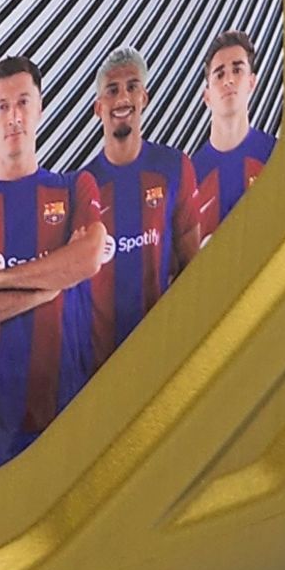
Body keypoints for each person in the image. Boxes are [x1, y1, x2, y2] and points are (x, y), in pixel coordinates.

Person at [0, 56, 110, 465]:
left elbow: (87, 258)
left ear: (40, 109)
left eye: (24, 102)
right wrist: (50, 283)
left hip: (67, 417)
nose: (14, 117)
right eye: (2, 106)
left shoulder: (74, 187)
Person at [77, 48, 200, 365]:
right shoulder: (80, 187)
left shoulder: (175, 167)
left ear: (144, 98)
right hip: (99, 367)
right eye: (112, 90)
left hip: (162, 356)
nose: (122, 98)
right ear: (98, 107)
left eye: (132, 87)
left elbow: (193, 266)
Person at [193, 30, 276, 234]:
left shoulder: (277, 157)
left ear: (251, 82)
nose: (228, 80)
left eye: (237, 70)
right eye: (219, 74)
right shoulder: (189, 177)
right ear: (207, 97)